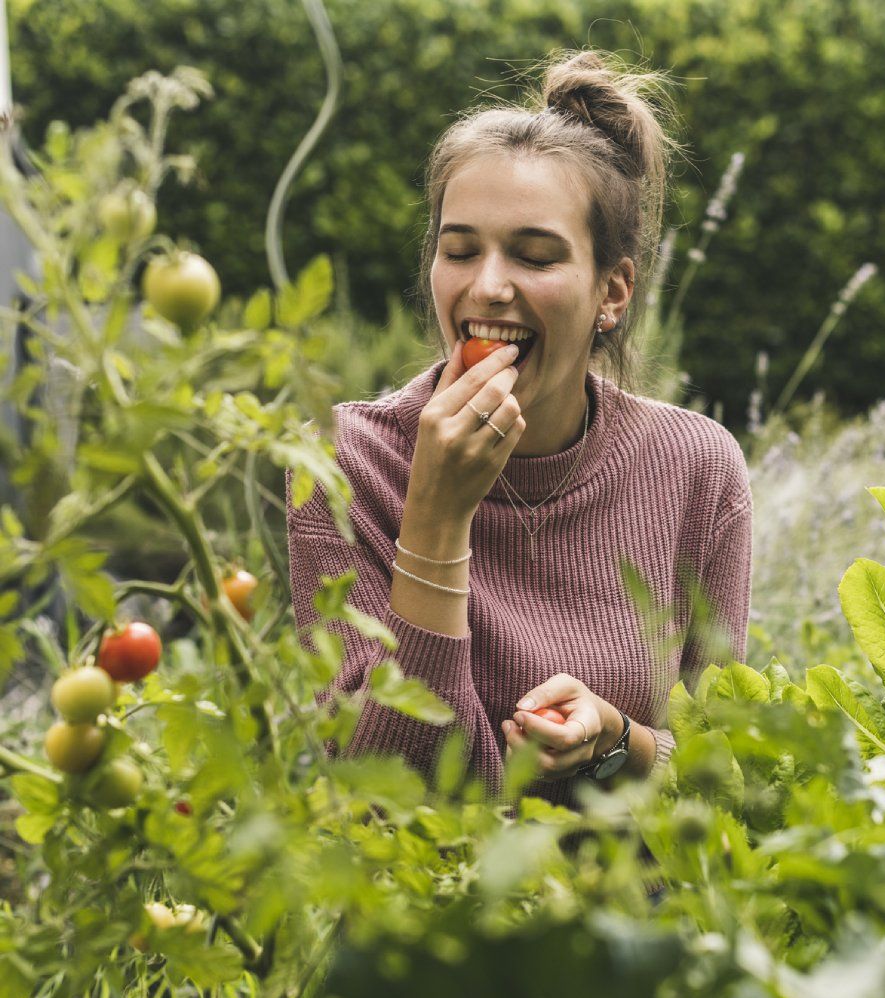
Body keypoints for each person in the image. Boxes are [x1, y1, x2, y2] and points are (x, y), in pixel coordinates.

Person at [286, 50, 753, 806]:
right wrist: (436, 520)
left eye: (534, 256)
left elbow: (729, 777)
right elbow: (373, 797)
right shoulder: (345, 461)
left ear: (612, 292)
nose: (488, 286)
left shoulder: (697, 467)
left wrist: (618, 743)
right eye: (459, 250)